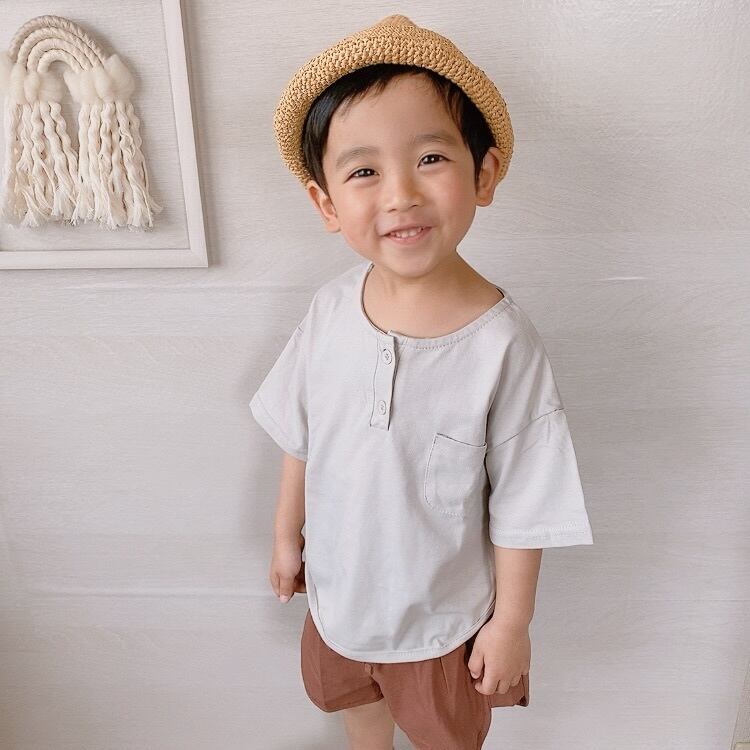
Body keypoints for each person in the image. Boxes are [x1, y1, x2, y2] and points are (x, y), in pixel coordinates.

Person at [249, 14, 595, 750]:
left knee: (446, 735)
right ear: (326, 203)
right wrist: (285, 536)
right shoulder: (329, 311)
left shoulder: (502, 345)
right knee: (358, 711)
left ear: (484, 173)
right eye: (364, 171)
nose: (400, 193)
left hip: (443, 619)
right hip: (340, 595)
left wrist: (512, 623)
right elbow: (299, 432)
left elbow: (527, 501)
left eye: (431, 158)